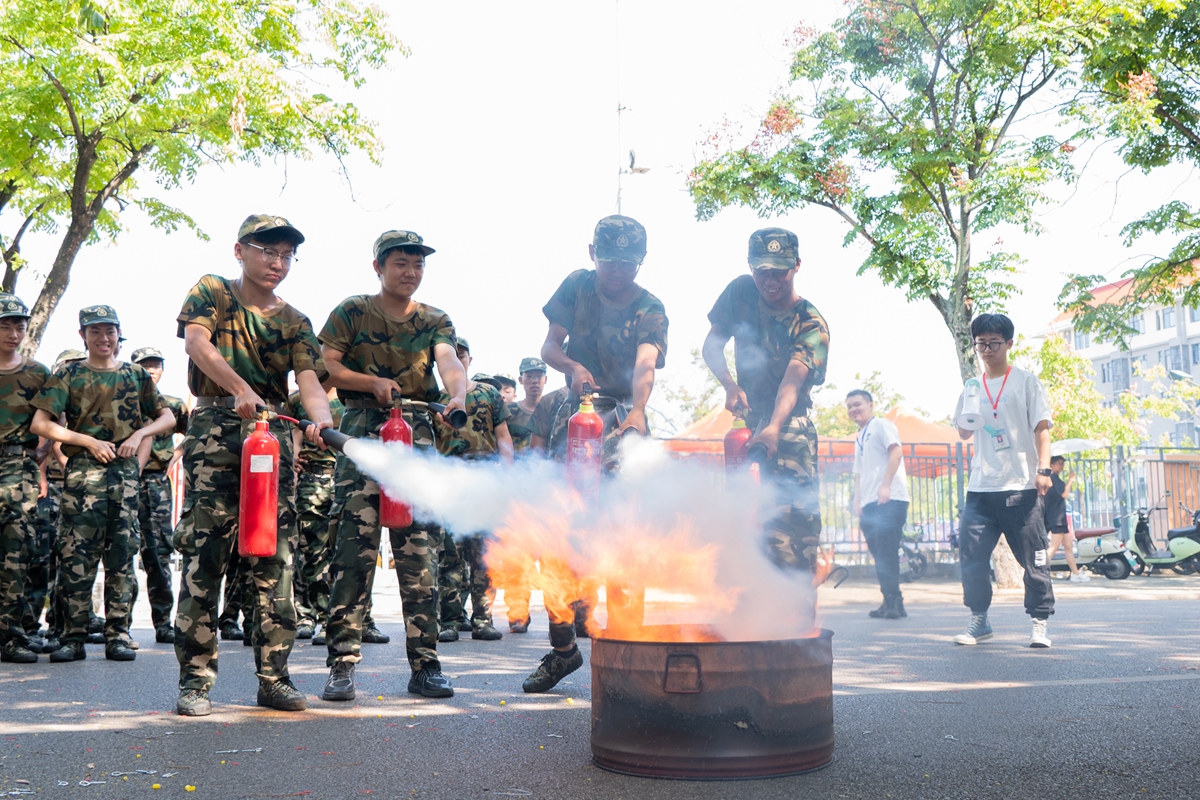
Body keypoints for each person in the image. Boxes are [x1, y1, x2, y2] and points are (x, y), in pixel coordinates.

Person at [172, 214, 334, 716]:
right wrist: (240, 389)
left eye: (286, 255)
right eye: (267, 251)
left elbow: (308, 382)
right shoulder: (214, 291)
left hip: (272, 439)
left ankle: (274, 678)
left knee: (274, 556)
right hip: (217, 432)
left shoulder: (296, 321)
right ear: (240, 250)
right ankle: (195, 682)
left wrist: (322, 425)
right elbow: (197, 343)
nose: (276, 262)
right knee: (206, 555)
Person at [318, 229, 466, 704]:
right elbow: (327, 369)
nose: (411, 272)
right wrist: (371, 381)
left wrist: (457, 394)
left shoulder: (435, 319)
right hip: (362, 431)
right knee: (353, 555)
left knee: (419, 554)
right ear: (379, 266)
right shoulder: (353, 311)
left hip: (415, 435)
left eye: (418, 264)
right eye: (401, 263)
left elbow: (447, 361)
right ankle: (341, 666)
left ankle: (426, 666)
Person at [525, 214, 668, 694]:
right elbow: (550, 346)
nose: (618, 272)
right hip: (575, 415)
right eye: (610, 261)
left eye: (628, 263)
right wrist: (573, 365)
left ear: (641, 263)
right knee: (559, 542)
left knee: (626, 539)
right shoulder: (577, 287)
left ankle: (628, 656)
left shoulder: (650, 306)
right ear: (592, 254)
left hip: (625, 417)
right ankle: (563, 650)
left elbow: (647, 361)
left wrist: (639, 411)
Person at [31, 305, 176, 664]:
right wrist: (86, 441)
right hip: (83, 476)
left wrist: (141, 434)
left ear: (118, 334)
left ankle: (118, 634)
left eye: (110, 331)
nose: (104, 338)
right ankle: (73, 636)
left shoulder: (135, 376)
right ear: (83, 336)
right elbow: (40, 423)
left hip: (125, 478)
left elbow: (167, 417)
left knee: (122, 558)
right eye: (95, 331)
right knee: (76, 558)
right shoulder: (69, 374)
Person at [702, 228, 829, 577]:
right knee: (746, 520)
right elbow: (712, 345)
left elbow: (793, 379)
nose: (770, 279)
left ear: (797, 265)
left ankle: (797, 615)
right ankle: (752, 611)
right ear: (750, 266)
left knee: (792, 527)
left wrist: (773, 427)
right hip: (748, 426)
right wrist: (728, 384)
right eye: (762, 270)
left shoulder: (810, 322)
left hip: (790, 430)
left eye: (780, 271)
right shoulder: (740, 293)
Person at [952, 312, 1055, 649]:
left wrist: (1044, 470)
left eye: (993, 342)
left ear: (1009, 343)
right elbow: (965, 432)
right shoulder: (971, 386)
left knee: (1033, 558)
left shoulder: (1025, 381)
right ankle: (979, 621)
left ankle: (1039, 623)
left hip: (1020, 486)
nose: (986, 349)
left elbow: (1042, 428)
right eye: (980, 343)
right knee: (971, 559)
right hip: (980, 489)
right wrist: (969, 409)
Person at [434, 344, 514, 643]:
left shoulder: (488, 394)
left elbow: (503, 435)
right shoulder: (435, 398)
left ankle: (483, 619)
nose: (457, 359)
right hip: (450, 484)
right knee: (449, 556)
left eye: (462, 355)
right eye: (451, 354)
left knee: (485, 556)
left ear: (469, 360)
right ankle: (451, 621)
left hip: (486, 481)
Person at [0, 294, 51, 663]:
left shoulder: (38, 372)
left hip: (19, 468)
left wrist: (42, 463)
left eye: (19, 325)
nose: (13, 332)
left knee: (16, 553)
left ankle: (12, 636)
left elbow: (51, 422)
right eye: (5, 324)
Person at [128, 347, 189, 644]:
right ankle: (117, 626)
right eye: (145, 366)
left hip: (154, 483)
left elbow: (194, 433)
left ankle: (163, 622)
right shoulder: (122, 400)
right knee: (120, 552)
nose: (151, 370)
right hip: (120, 479)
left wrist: (175, 457)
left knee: (157, 554)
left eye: (156, 365)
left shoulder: (173, 404)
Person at [24, 349, 84, 649]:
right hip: (45, 488)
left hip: (76, 487)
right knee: (39, 557)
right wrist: (42, 475)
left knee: (66, 558)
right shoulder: (50, 391)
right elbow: (45, 443)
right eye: (68, 366)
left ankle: (57, 625)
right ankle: (30, 625)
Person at [286, 382, 345, 641]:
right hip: (312, 480)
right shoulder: (299, 399)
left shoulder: (351, 397)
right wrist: (292, 465)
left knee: (350, 552)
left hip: (346, 480)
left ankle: (361, 620)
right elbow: (293, 438)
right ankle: (312, 616)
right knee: (311, 550)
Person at [847, 389, 910, 619]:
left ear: (870, 404)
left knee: (886, 553)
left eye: (857, 404)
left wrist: (885, 485)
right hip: (869, 503)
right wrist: (857, 500)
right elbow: (859, 473)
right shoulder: (860, 436)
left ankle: (892, 602)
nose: (853, 409)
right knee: (879, 554)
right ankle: (893, 601)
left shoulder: (881, 425)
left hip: (890, 499)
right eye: (849, 407)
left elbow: (896, 452)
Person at [499, 356, 547, 633]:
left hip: (546, 493)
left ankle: (566, 613)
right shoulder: (510, 412)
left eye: (538, 376)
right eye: (528, 376)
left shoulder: (554, 407)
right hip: (517, 495)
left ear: (545, 380)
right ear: (521, 380)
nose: (533, 380)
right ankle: (518, 613)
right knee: (517, 557)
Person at [1045, 456, 1086, 582]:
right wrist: (1070, 480)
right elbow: (1063, 494)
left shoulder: (1055, 478)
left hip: (1059, 517)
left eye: (1063, 464)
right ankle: (1042, 574)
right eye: (1059, 464)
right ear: (1051, 464)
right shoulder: (1052, 478)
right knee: (1053, 547)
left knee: (1068, 546)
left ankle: (1076, 574)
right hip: (1056, 517)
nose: (1062, 466)